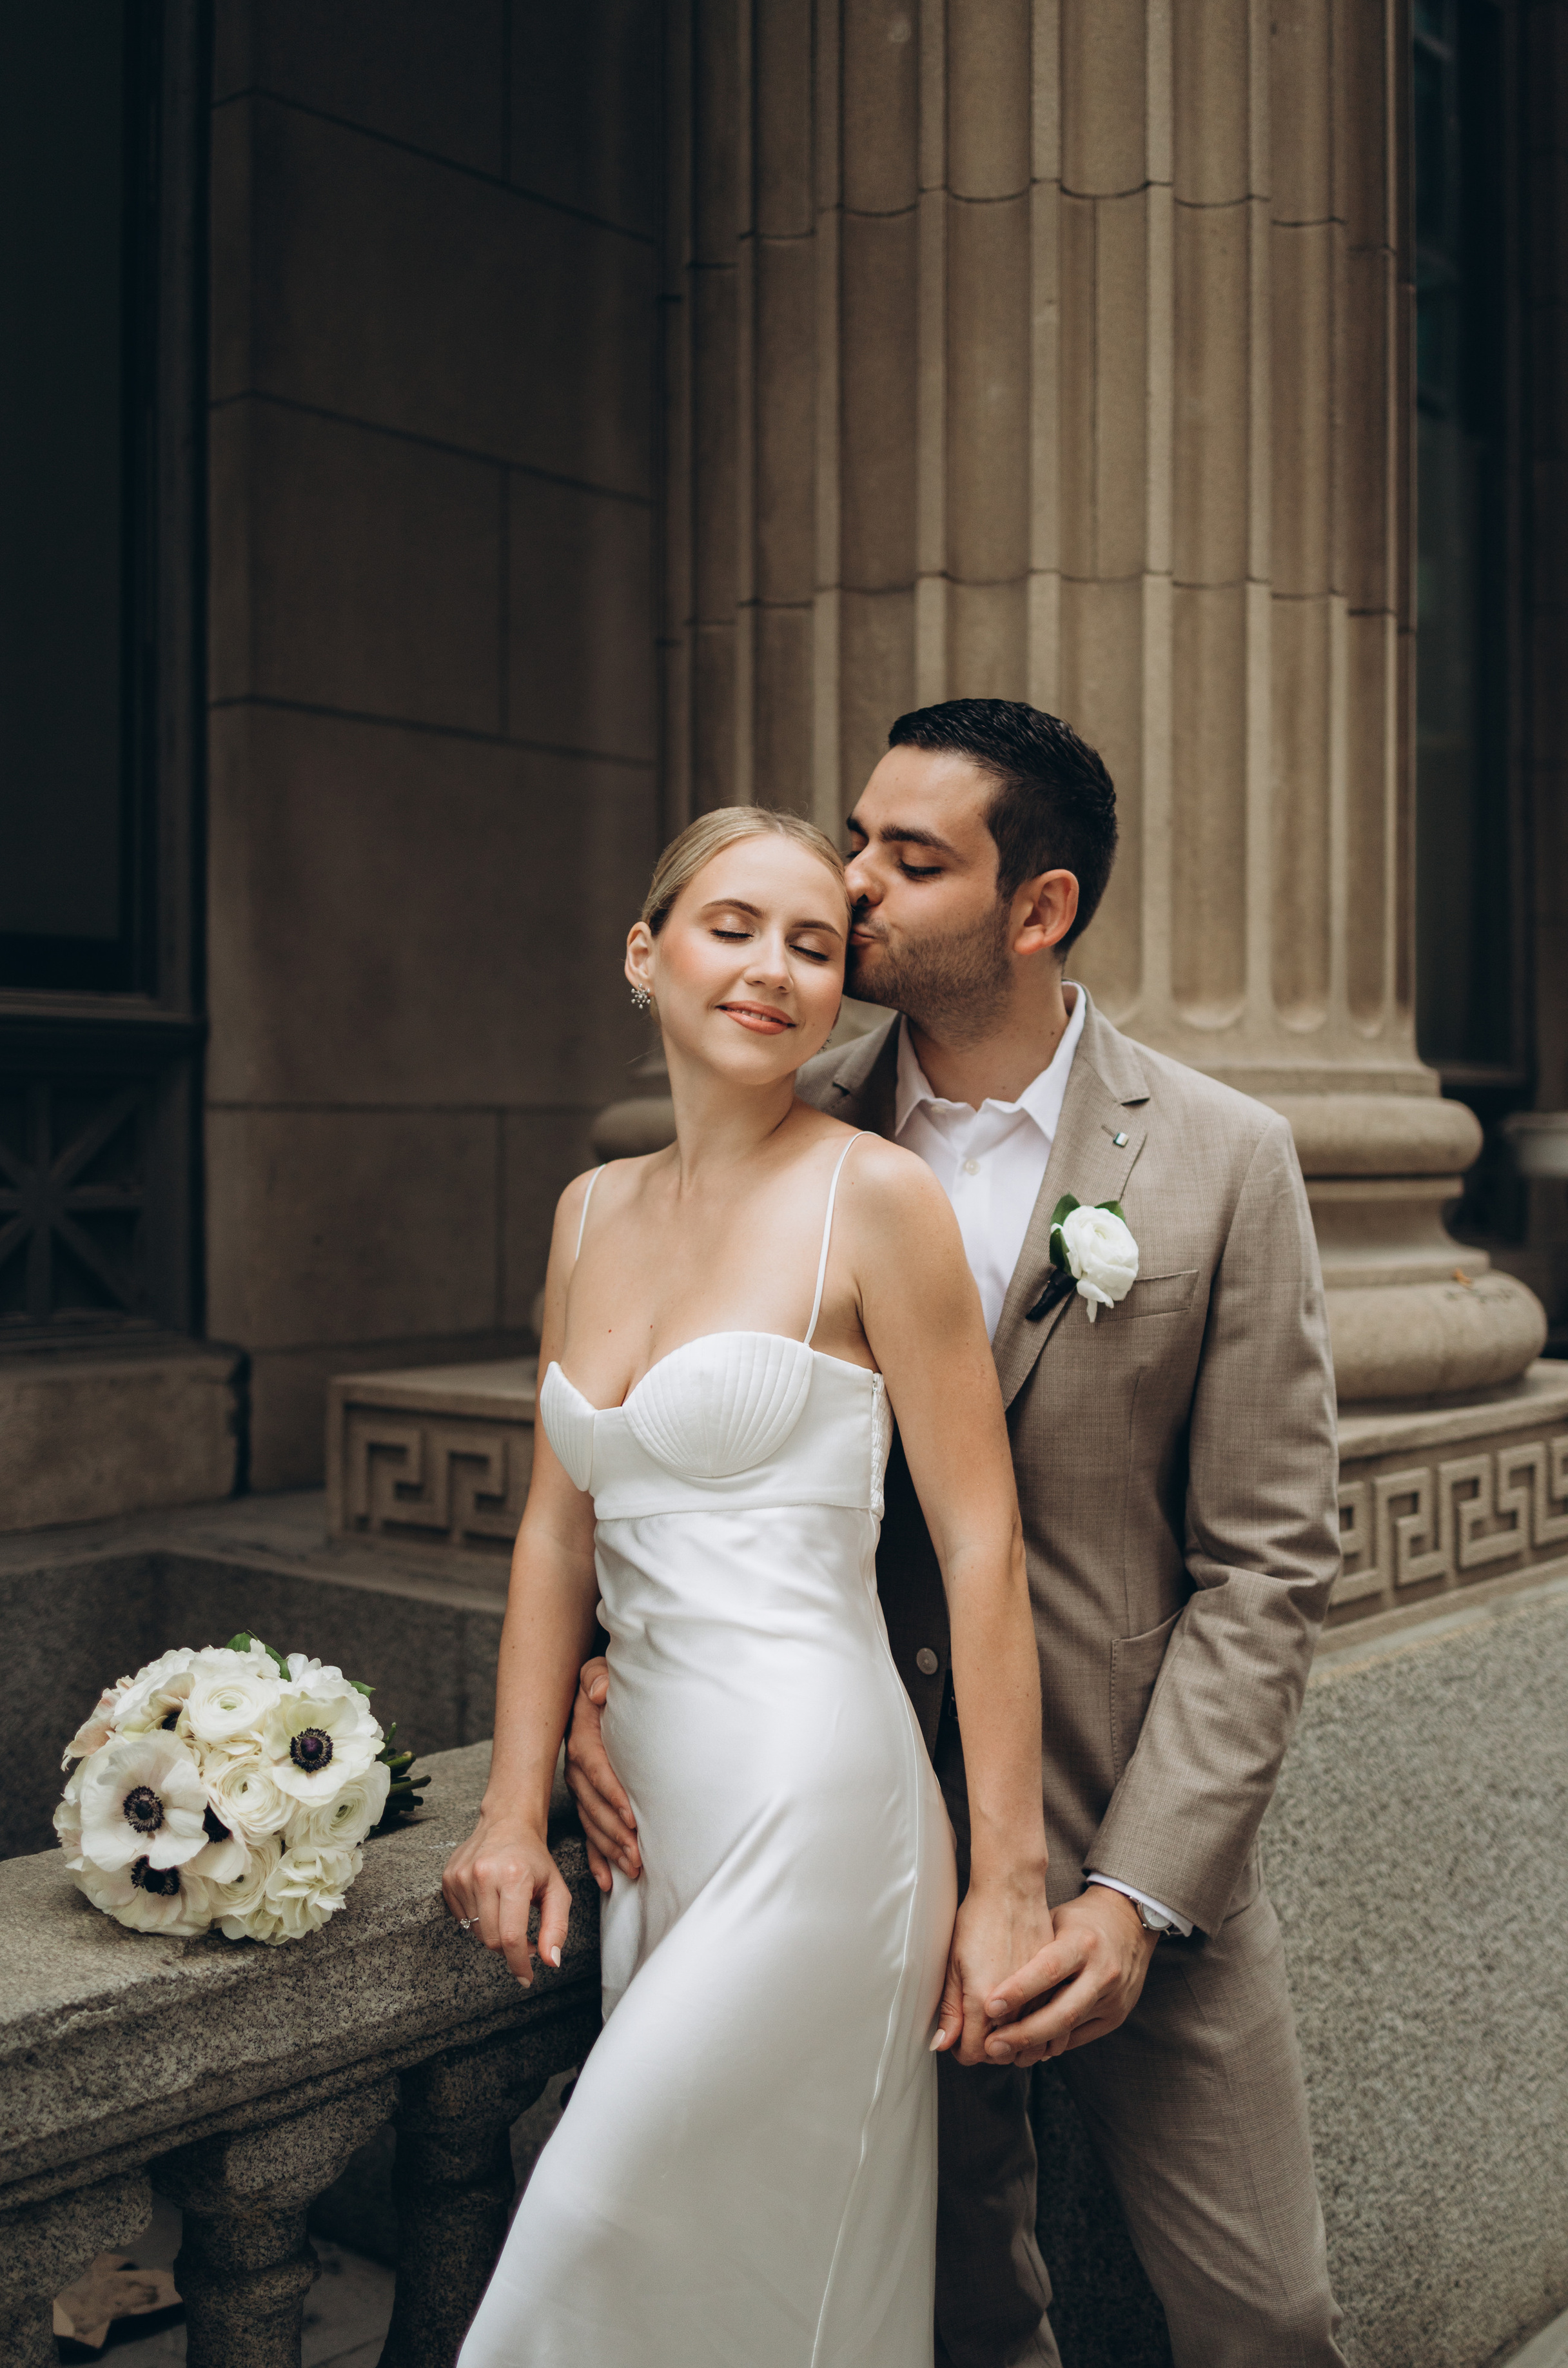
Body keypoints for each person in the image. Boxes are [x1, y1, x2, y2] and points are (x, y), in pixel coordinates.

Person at [569, 703, 1348, 2367]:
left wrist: (1132, 1895)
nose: (849, 885)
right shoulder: (785, 1116)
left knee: (1264, 2314)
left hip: (1134, 1829)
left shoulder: (1224, 1159)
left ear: (1036, 908)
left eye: (908, 861)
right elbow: (655, 1444)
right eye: (855, 836)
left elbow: (1267, 1567)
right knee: (957, 2312)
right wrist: (606, 1682)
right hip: (857, 1841)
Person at [442, 804, 1058, 2367]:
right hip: (652, 1826)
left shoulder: (875, 1199)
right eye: (731, 929)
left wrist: (1007, 1878)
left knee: (588, 2239)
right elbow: (555, 1534)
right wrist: (512, 1808)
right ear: (643, 954)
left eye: (812, 944)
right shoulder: (587, 1212)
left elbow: (979, 1545)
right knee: (723, 2293)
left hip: (819, 1810)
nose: (773, 969)